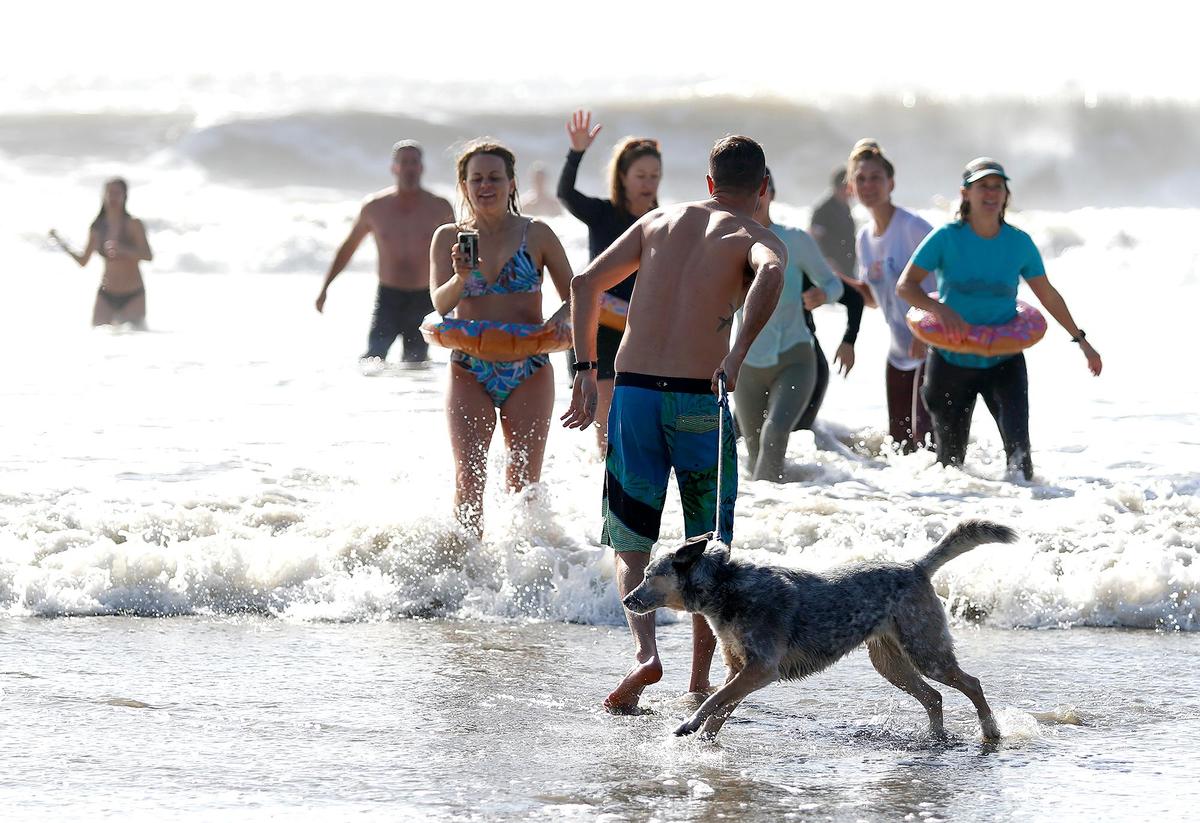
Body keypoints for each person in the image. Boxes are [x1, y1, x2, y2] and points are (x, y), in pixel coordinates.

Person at [562, 135, 785, 714]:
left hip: (633, 392)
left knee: (631, 536)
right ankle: (698, 681)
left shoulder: (658, 220)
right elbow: (769, 276)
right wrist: (736, 355)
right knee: (707, 545)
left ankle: (645, 655)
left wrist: (584, 371)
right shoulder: (755, 236)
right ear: (762, 187)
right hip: (697, 400)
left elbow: (584, 284)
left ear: (709, 183)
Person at [898, 157, 1102, 480]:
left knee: (1021, 465)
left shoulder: (1018, 243)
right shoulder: (945, 238)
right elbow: (906, 286)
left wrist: (1082, 341)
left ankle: (1022, 509)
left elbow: (1047, 295)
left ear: (1006, 195)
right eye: (983, 186)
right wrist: (941, 310)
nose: (991, 193)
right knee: (950, 467)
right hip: (951, 362)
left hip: (1004, 362)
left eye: (998, 186)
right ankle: (955, 512)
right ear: (965, 193)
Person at [430, 140, 573, 539]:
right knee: (468, 479)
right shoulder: (449, 236)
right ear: (464, 185)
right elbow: (440, 304)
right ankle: (469, 568)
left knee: (523, 485)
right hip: (469, 368)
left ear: (512, 183)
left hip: (528, 369)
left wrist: (558, 323)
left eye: (495, 177)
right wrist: (460, 277)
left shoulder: (537, 233)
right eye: (476, 178)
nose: (485, 185)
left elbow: (575, 294)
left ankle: (523, 567)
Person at [557, 110, 662, 453]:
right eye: (641, 175)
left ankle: (622, 472)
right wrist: (576, 153)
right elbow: (565, 194)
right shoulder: (603, 213)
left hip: (638, 328)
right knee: (606, 425)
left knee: (635, 421)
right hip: (598, 326)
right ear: (623, 177)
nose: (648, 183)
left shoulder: (662, 222)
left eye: (654, 176)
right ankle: (604, 471)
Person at [733, 168, 842, 480]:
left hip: (795, 358)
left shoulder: (795, 239)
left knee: (775, 434)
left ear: (771, 193)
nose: (755, 197)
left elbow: (834, 284)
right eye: (747, 190)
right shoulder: (728, 243)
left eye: (761, 189)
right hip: (748, 365)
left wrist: (823, 294)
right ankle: (771, 506)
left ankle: (781, 501)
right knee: (754, 455)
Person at [316, 140, 454, 365]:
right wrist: (326, 287)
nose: (409, 167)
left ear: (421, 167)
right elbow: (349, 247)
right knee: (372, 359)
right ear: (394, 168)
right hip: (389, 296)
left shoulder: (439, 207)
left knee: (416, 364)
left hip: (424, 297)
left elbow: (456, 252)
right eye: (404, 162)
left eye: (414, 162)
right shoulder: (375, 207)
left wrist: (464, 295)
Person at [848, 139, 935, 453]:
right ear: (851, 186)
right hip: (898, 353)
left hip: (930, 350)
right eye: (860, 179)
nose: (868, 185)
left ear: (891, 183)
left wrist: (924, 334)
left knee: (928, 447)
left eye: (875, 178)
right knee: (900, 448)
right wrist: (829, 283)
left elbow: (943, 286)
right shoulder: (864, 238)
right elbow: (873, 299)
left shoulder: (912, 227)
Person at [49, 178, 153, 329]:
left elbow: (148, 256)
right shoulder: (97, 227)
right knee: (98, 336)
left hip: (133, 295)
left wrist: (124, 249)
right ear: (103, 196)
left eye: (117, 193)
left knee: (134, 338)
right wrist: (62, 243)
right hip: (106, 294)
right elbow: (83, 261)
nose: (113, 197)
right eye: (110, 193)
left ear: (125, 196)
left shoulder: (133, 224)